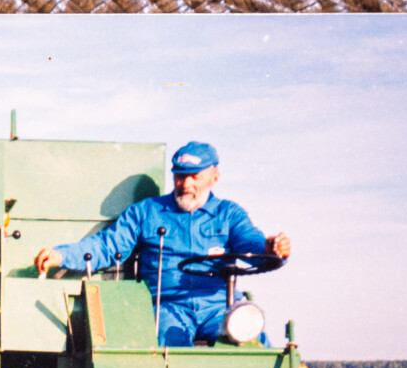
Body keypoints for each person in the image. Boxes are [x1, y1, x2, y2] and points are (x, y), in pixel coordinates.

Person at [33, 141, 291, 346]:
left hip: (218, 306)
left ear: (214, 177)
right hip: (168, 306)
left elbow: (251, 242)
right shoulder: (146, 212)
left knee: (252, 342)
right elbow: (108, 245)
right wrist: (61, 255)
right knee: (169, 350)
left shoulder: (229, 214)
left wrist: (271, 248)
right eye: (180, 176)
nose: (186, 184)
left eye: (195, 176)